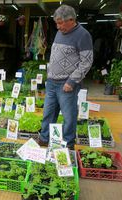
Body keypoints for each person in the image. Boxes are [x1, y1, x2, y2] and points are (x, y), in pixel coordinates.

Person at [38, 5, 93, 149]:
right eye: (56, 23)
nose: (58, 26)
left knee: (69, 117)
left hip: (66, 84)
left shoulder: (83, 35)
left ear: (71, 20)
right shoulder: (60, 32)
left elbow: (86, 62)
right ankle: (44, 139)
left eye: (60, 23)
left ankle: (68, 144)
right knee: (48, 114)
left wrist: (72, 81)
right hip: (52, 82)